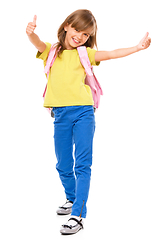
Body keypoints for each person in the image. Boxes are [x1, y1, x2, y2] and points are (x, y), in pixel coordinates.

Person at [26, 9, 151, 235]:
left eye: (86, 34)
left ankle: (78, 215)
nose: (81, 36)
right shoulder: (52, 51)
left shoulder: (85, 53)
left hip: (84, 113)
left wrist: (136, 48)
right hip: (61, 115)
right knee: (63, 164)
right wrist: (30, 33)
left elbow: (112, 53)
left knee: (82, 165)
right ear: (66, 26)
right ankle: (72, 199)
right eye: (77, 30)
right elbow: (37, 43)